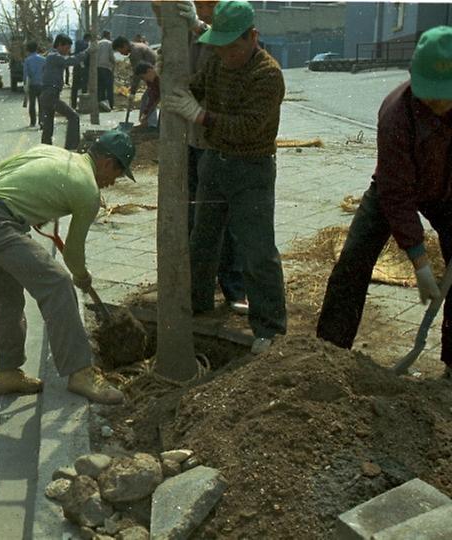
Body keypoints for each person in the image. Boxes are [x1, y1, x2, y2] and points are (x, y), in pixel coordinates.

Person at [0, 130, 137, 404]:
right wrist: (83, 277)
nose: (113, 182)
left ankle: (8, 373)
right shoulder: (88, 190)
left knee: (7, 297)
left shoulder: (53, 152)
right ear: (107, 163)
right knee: (59, 283)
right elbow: (73, 255)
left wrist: (29, 206)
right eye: (118, 173)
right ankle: (80, 373)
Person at [317, 26, 452, 380]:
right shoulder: (396, 112)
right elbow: (396, 192)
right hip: (394, 187)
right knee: (353, 262)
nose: (437, 104)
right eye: (430, 95)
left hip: (448, 193)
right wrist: (419, 260)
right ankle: (327, 353)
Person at [162, 0, 287, 355]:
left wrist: (200, 117)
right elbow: (200, 84)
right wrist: (176, 84)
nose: (227, 54)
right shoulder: (219, 59)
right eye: (221, 45)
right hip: (214, 163)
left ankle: (270, 329)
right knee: (203, 237)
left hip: (252, 167)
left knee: (257, 249)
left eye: (233, 46)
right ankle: (197, 302)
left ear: (253, 37)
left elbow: (247, 127)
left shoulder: (268, 75)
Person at [162, 0, 248, 314]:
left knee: (224, 219)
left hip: (219, 138)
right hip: (193, 140)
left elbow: (230, 56)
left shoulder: (227, 25)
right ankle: (198, 286)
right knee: (195, 219)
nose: (206, 8)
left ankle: (234, 286)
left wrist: (200, 27)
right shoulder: (181, 33)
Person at [40, 34, 91, 150]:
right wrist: (87, 52)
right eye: (67, 48)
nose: (68, 51)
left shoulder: (51, 55)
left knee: (48, 126)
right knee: (73, 117)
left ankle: (45, 150)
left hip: (47, 94)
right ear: (59, 45)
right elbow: (71, 60)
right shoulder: (54, 56)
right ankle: (71, 147)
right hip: (50, 94)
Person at [112, 36, 157, 112]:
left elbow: (137, 74)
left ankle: (149, 123)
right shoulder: (137, 47)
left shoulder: (135, 52)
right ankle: (147, 121)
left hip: (156, 76)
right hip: (154, 76)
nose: (122, 54)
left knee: (147, 99)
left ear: (125, 45)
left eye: (121, 51)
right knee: (148, 99)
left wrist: (133, 92)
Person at [23, 41, 46, 128]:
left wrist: (25, 85)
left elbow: (25, 75)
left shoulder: (27, 60)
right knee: (42, 104)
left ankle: (33, 122)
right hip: (42, 84)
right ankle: (42, 122)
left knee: (32, 104)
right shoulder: (43, 59)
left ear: (28, 50)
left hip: (32, 85)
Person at [70, 33, 92, 109]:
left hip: (76, 66)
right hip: (84, 67)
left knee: (75, 87)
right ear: (88, 38)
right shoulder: (87, 45)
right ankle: (83, 105)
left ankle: (73, 105)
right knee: (84, 86)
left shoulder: (78, 43)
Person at [97, 31, 116, 110]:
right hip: (107, 68)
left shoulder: (97, 43)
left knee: (100, 88)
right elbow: (111, 56)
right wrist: (114, 64)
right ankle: (110, 105)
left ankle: (101, 105)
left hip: (98, 68)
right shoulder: (109, 44)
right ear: (108, 35)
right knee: (109, 88)